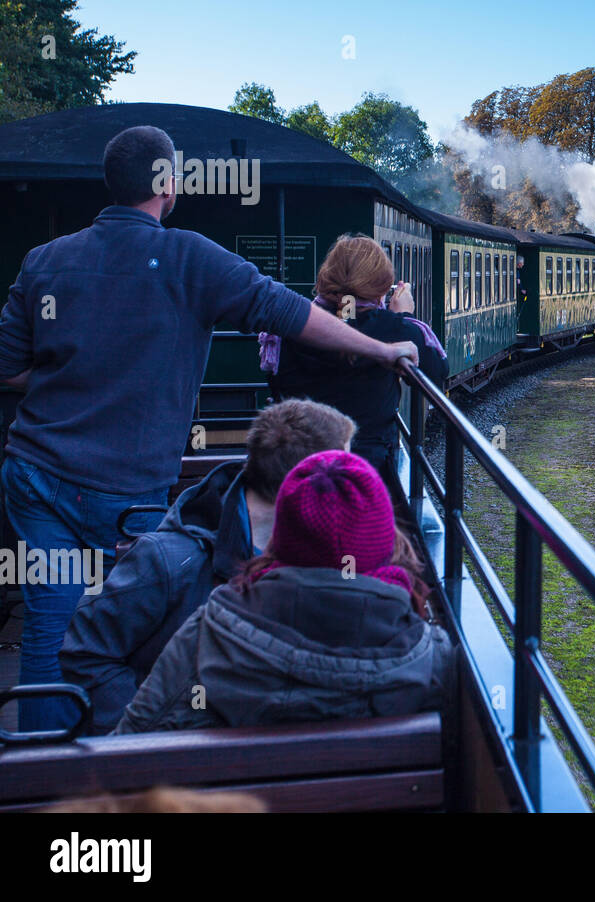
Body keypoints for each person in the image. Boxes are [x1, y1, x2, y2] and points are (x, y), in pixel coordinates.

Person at [0, 125, 418, 732]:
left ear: (111, 185)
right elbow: (291, 313)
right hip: (127, 487)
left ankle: (39, 768)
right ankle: (130, 762)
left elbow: (8, 366)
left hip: (36, 473)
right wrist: (381, 350)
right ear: (168, 186)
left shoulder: (45, 260)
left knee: (50, 623)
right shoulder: (191, 258)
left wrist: (78, 375)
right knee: (141, 629)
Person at [60, 399, 357, 734]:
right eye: (343, 471)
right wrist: (142, 738)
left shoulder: (328, 550)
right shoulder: (170, 561)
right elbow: (86, 652)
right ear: (301, 485)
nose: (353, 485)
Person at [114, 451, 454, 734]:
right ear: (384, 543)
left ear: (281, 539)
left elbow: (133, 742)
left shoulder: (209, 631)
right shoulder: (431, 658)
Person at [263, 234, 447, 509]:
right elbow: (437, 372)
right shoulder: (397, 329)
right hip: (368, 471)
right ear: (381, 286)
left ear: (326, 278)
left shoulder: (290, 327)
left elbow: (275, 381)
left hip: (295, 469)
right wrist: (405, 316)